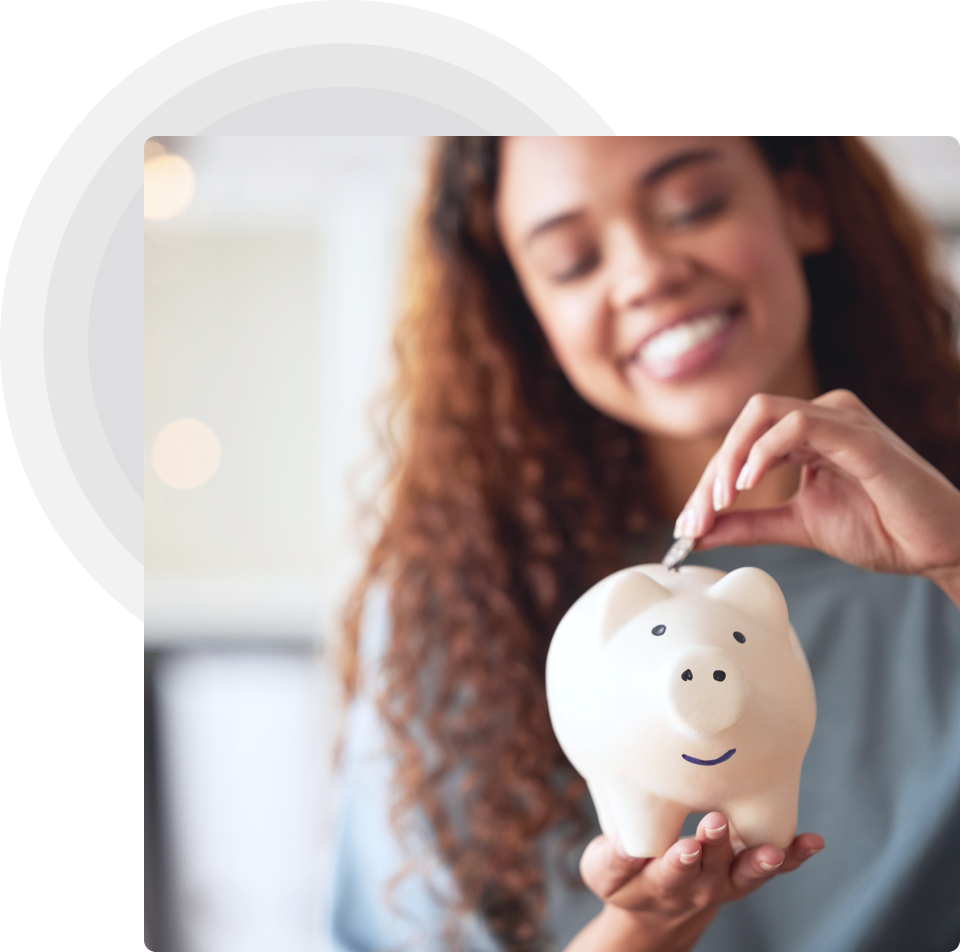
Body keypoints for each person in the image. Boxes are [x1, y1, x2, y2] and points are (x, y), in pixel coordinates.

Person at [324, 137, 960, 952]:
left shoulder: (944, 537)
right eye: (572, 261)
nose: (645, 274)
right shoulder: (453, 615)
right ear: (529, 311)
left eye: (694, 207)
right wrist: (639, 932)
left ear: (803, 202)